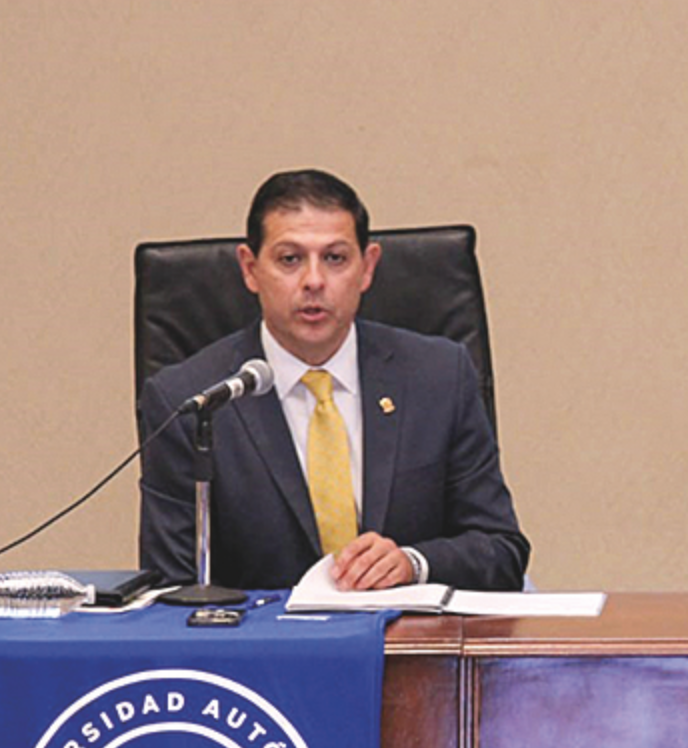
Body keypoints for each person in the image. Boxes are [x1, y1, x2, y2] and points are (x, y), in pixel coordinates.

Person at [139, 169, 529, 592]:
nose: (314, 281)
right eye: (290, 259)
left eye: (335, 258)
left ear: (368, 267)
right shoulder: (190, 402)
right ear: (250, 269)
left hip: (408, 630)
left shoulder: (439, 377)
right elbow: (172, 585)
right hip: (262, 634)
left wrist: (413, 564)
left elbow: (501, 550)